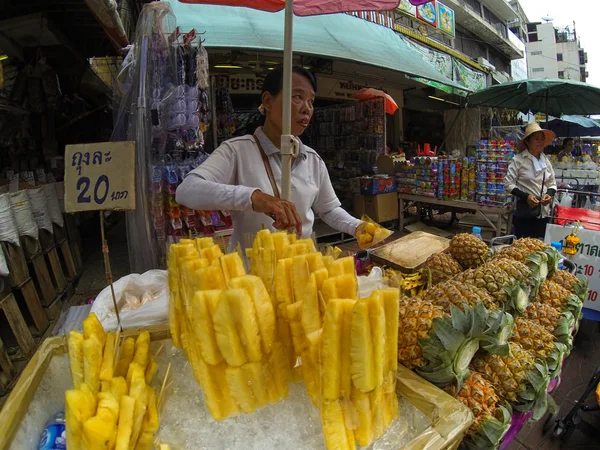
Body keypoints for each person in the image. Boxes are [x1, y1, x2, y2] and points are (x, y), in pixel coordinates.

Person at [176, 66, 362, 251]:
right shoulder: (237, 151)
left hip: (302, 268)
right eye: (297, 97)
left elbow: (328, 210)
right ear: (267, 101)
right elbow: (187, 189)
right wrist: (254, 197)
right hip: (252, 275)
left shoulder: (312, 160)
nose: (307, 109)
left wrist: (357, 227)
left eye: (311, 101)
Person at [506, 122, 557, 239]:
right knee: (523, 246)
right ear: (528, 142)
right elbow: (508, 184)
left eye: (542, 139)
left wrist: (549, 195)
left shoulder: (545, 160)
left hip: (543, 212)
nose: (540, 141)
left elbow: (552, 183)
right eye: (536, 139)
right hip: (525, 212)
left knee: (539, 246)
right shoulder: (518, 160)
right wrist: (526, 196)